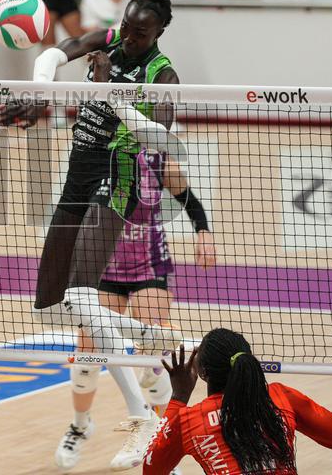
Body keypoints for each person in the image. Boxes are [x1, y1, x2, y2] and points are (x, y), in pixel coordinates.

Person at [0, 0, 194, 469]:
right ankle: (145, 336)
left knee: (84, 295)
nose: (128, 37)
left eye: (140, 32)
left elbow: (160, 138)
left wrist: (109, 89)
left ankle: (141, 414)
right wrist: (41, 95)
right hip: (78, 171)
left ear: (159, 33)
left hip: (118, 176)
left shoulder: (161, 73)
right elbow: (54, 51)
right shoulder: (108, 38)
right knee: (49, 307)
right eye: (126, 26)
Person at [56, 150, 217, 472]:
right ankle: (80, 425)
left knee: (155, 355)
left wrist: (203, 232)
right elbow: (70, 215)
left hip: (149, 268)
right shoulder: (94, 162)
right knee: (88, 355)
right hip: (102, 271)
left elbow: (190, 200)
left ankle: (159, 442)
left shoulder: (157, 163)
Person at [143, 328, 332, 474]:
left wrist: (178, 398)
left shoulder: (189, 420)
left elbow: (151, 470)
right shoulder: (280, 397)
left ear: (202, 373)